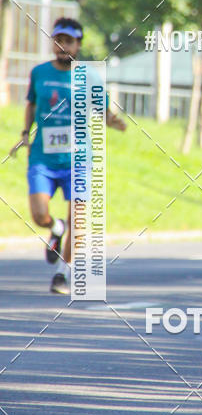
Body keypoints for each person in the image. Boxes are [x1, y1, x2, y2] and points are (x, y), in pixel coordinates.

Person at [10, 17, 126, 294]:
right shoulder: (39, 73)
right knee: (39, 215)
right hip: (43, 158)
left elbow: (104, 111)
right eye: (58, 40)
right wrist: (25, 132)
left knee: (79, 218)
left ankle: (63, 273)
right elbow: (31, 104)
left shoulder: (90, 77)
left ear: (78, 45)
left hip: (79, 159)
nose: (63, 46)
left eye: (69, 41)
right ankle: (55, 228)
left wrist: (114, 121)